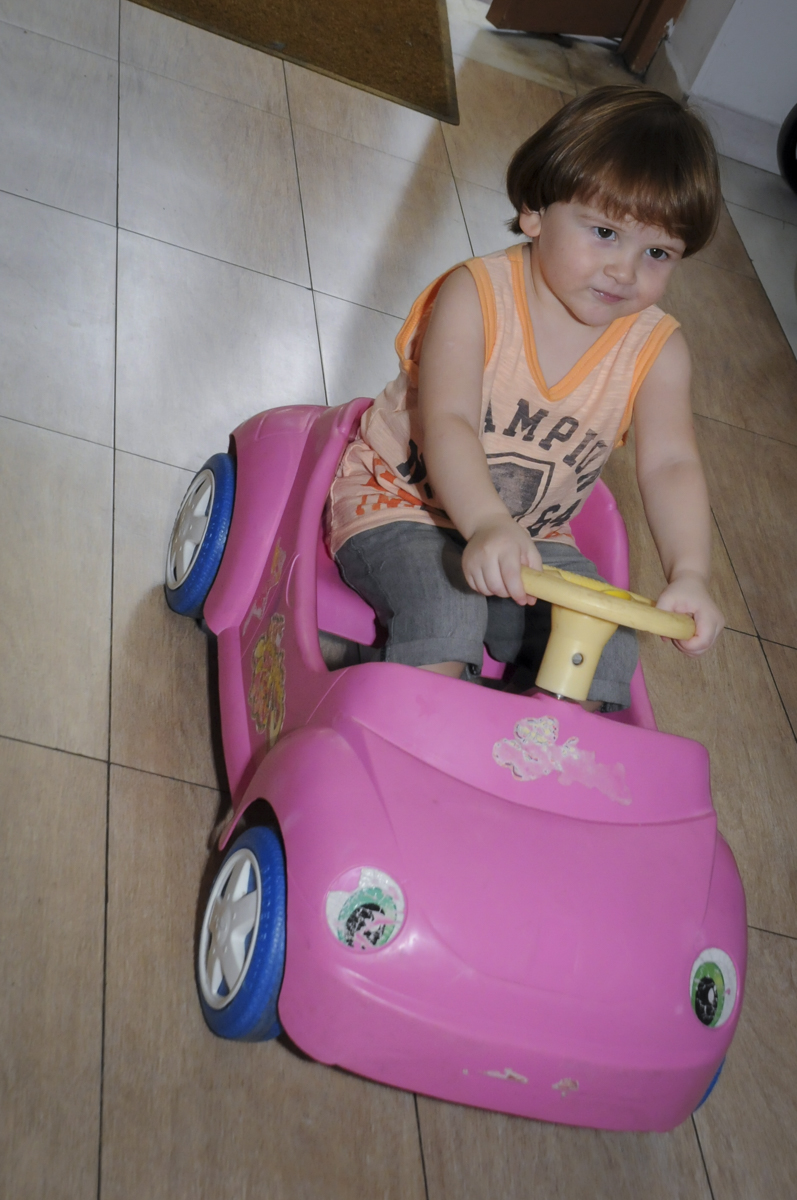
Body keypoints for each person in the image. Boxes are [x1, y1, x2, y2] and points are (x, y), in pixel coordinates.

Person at [326, 85, 725, 710]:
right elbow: (451, 419)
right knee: (447, 609)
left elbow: (671, 464)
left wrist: (692, 574)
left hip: (533, 539)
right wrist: (484, 522)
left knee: (609, 642)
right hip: (403, 507)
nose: (625, 271)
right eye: (603, 232)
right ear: (535, 211)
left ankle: (536, 758)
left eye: (657, 252)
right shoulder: (477, 296)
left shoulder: (658, 350)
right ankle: (413, 743)